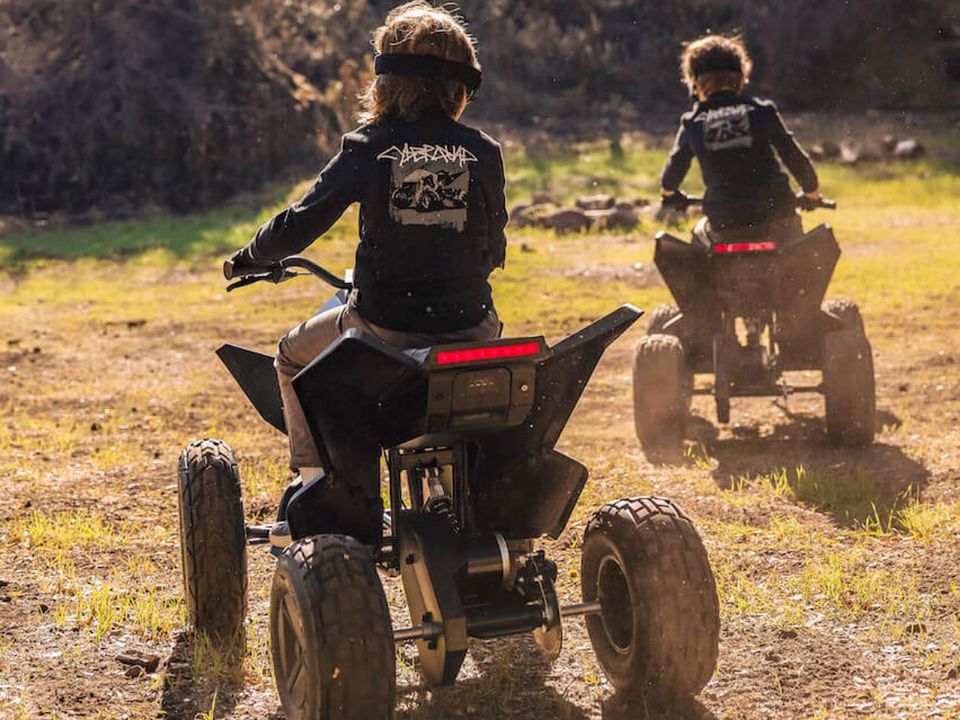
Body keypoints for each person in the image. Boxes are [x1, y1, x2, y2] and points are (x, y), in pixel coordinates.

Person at [226, 1, 507, 543]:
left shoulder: (368, 147)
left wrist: (252, 255)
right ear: (461, 84)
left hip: (383, 330)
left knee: (288, 356)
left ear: (387, 78)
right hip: (472, 327)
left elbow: (298, 225)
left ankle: (316, 489)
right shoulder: (484, 152)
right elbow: (494, 246)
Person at [659, 34, 822, 245]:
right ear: (741, 77)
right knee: (796, 254)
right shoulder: (762, 111)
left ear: (695, 84)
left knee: (700, 238)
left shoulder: (694, 122)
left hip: (726, 224)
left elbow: (673, 173)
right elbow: (794, 157)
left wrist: (669, 195)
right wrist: (811, 193)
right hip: (778, 217)